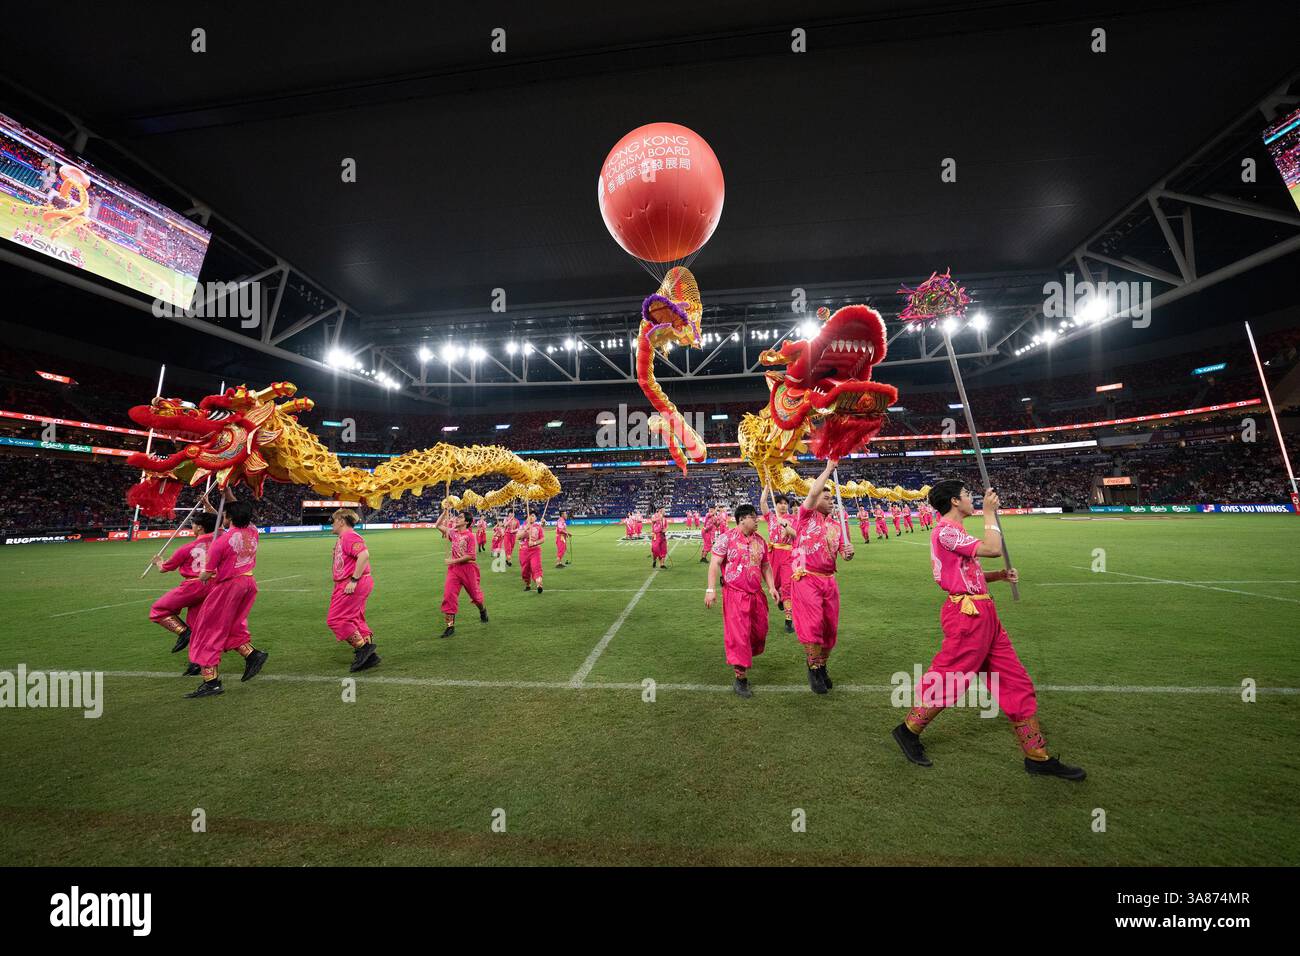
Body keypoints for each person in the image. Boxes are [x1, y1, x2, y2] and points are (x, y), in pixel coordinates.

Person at [890, 481, 1085, 780]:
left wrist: (999, 576)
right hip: (967, 616)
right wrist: (990, 513)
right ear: (955, 501)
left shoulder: (955, 532)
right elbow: (993, 548)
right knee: (950, 678)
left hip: (984, 613)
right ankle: (907, 731)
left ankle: (1037, 756)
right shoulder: (946, 530)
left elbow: (970, 572)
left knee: (1015, 681)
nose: (972, 499)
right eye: (968, 495)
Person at [184, 498, 268, 698]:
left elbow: (206, 574)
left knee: (207, 630)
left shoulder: (220, 543)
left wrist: (200, 575)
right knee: (230, 626)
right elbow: (235, 513)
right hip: (248, 584)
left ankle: (211, 682)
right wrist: (226, 496)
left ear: (229, 518)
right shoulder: (252, 532)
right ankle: (252, 654)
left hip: (228, 587)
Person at [790, 459, 854, 694]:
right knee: (813, 625)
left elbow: (843, 555)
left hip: (829, 579)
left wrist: (848, 553)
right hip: (806, 578)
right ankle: (813, 667)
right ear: (814, 501)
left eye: (831, 498)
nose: (830, 501)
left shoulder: (837, 526)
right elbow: (814, 491)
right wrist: (828, 469)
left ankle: (823, 665)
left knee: (830, 628)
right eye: (826, 498)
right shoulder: (805, 517)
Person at [705, 503, 779, 699]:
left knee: (759, 632)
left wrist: (771, 587)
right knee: (739, 635)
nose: (757, 520)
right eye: (753, 517)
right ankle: (740, 678)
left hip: (757, 595)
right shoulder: (726, 539)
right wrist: (711, 589)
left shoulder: (760, 541)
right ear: (742, 519)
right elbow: (714, 564)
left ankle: (745, 658)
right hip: (735, 595)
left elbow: (766, 566)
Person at [149, 510, 217, 657]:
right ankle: (197, 662)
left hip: (194, 586)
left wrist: (159, 562)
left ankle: (184, 632)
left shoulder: (186, 549)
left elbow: (164, 569)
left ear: (199, 527)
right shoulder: (219, 539)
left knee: (158, 610)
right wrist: (207, 505)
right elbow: (218, 520)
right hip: (214, 585)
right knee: (197, 625)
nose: (191, 527)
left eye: (193, 524)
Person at [326, 508, 379, 672]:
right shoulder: (344, 538)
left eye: (334, 521)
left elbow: (364, 555)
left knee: (336, 619)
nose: (332, 524)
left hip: (352, 582)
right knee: (355, 618)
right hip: (349, 581)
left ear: (341, 521)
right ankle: (370, 658)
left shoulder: (349, 536)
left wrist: (354, 580)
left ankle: (363, 649)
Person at [437, 509, 488, 638]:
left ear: (466, 522)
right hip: (454, 570)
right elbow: (438, 525)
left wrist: (453, 560)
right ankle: (450, 626)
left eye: (460, 517)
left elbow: (471, 556)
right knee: (449, 595)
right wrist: (444, 512)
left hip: (468, 569)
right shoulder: (453, 533)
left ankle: (482, 610)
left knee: (476, 596)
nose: (457, 519)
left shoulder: (470, 536)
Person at [759, 487, 796, 632]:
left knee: (787, 586)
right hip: (772, 554)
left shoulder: (793, 519)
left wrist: (785, 525)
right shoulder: (771, 518)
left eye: (785, 503)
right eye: (779, 503)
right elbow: (762, 502)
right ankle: (779, 598)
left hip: (787, 555)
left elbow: (795, 535)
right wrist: (767, 487)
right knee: (774, 584)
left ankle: (788, 620)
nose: (782, 505)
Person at [519, 511, 545, 593]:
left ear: (536, 518)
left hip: (535, 551)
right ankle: (528, 584)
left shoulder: (538, 527)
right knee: (525, 570)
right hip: (523, 551)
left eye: (533, 516)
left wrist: (534, 543)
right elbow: (518, 537)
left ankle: (539, 584)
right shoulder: (522, 526)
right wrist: (525, 530)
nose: (531, 517)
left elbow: (542, 539)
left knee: (536, 568)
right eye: (529, 515)